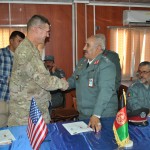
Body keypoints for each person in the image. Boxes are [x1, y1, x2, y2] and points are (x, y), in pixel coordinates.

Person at [8, 15, 68, 126]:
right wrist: (63, 83)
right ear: (36, 29)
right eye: (47, 31)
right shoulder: (26, 51)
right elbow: (43, 80)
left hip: (33, 109)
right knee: (29, 142)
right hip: (27, 114)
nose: (48, 35)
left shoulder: (31, 49)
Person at [67, 34, 118, 132]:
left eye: (88, 45)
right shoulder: (82, 62)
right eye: (85, 44)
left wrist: (96, 115)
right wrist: (63, 84)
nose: (84, 48)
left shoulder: (106, 65)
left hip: (102, 115)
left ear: (98, 48)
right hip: (84, 113)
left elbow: (105, 91)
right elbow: (74, 79)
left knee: (101, 144)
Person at [0, 31, 25, 127]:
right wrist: (7, 79)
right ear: (11, 41)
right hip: (2, 99)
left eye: (22, 42)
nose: (21, 45)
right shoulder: (1, 54)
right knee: (2, 133)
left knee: (14, 131)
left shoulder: (22, 59)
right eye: (19, 41)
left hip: (16, 102)